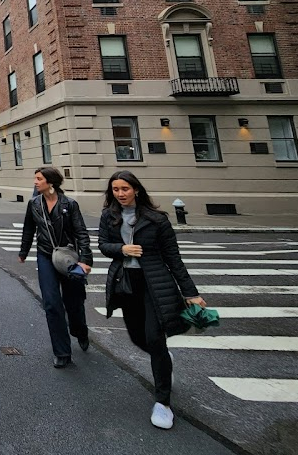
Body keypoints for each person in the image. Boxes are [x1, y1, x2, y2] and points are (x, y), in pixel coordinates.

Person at [98, 170, 206, 431]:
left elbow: (174, 258)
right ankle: (164, 358)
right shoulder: (109, 216)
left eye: (125, 188)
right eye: (115, 189)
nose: (120, 194)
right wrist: (121, 249)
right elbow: (102, 245)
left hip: (154, 284)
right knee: (138, 337)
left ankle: (163, 403)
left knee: (155, 338)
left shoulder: (157, 220)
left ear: (136, 189)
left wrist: (191, 293)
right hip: (125, 284)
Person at [18, 166, 93, 369]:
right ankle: (62, 352)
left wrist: (86, 260)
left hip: (68, 257)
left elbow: (81, 233)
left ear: (50, 182)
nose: (35, 182)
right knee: (51, 303)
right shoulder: (34, 204)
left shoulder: (69, 204)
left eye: (39, 178)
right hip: (45, 255)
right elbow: (29, 229)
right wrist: (23, 252)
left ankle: (80, 331)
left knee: (73, 301)